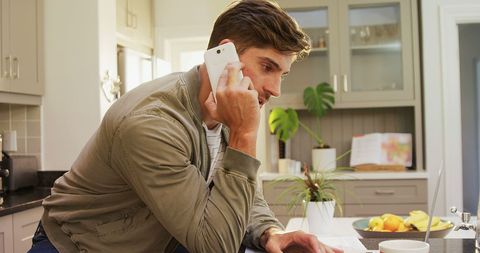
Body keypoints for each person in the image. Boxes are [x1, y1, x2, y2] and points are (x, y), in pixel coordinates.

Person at [30, 1, 343, 252]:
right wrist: (245, 135)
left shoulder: (220, 109)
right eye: (267, 67)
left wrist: (269, 232)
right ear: (226, 55)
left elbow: (238, 193)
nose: (275, 89)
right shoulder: (150, 124)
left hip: (157, 239)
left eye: (281, 75)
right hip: (75, 245)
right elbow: (215, 245)